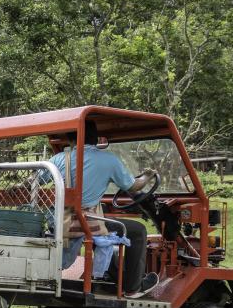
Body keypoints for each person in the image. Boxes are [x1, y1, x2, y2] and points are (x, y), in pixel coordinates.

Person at [48, 120, 160, 297]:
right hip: (86, 222)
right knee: (137, 230)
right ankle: (133, 286)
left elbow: (34, 181)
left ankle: (112, 275)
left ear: (70, 138)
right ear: (96, 138)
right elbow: (133, 187)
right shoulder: (109, 160)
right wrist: (147, 176)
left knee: (104, 227)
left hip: (61, 220)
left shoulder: (57, 159)